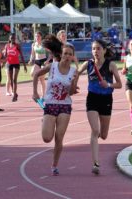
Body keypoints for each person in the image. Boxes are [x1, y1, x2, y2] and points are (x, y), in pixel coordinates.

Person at [32, 34, 79, 176]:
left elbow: (71, 92)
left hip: (65, 105)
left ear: (72, 57)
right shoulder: (52, 67)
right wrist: (35, 93)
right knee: (47, 138)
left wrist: (73, 84)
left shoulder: (73, 72)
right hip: (50, 104)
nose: (67, 56)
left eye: (70, 54)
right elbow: (35, 75)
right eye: (65, 53)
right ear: (61, 54)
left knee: (59, 137)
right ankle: (44, 121)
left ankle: (54, 164)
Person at [78, 39, 122, 175]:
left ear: (103, 50)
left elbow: (119, 84)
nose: (95, 51)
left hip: (106, 99)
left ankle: (97, 155)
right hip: (92, 98)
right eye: (93, 49)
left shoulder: (111, 65)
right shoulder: (88, 64)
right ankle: (95, 163)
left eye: (98, 49)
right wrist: (73, 83)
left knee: (103, 135)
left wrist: (108, 85)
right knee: (95, 130)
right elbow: (75, 74)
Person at [4, 33, 27, 102]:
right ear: (9, 39)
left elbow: (22, 56)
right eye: (11, 38)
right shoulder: (7, 46)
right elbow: (5, 56)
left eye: (14, 38)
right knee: (10, 80)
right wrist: (2, 63)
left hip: (16, 64)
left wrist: (24, 66)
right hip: (9, 64)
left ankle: (14, 95)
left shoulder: (17, 46)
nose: (12, 39)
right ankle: (14, 92)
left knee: (14, 79)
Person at [28, 32, 48, 101]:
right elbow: (32, 54)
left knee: (42, 79)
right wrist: (30, 60)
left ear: (41, 37)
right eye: (36, 36)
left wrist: (48, 61)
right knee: (32, 73)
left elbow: (51, 53)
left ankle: (43, 96)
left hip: (43, 62)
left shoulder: (44, 44)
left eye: (38, 36)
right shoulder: (33, 44)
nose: (37, 38)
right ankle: (36, 92)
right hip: (37, 61)